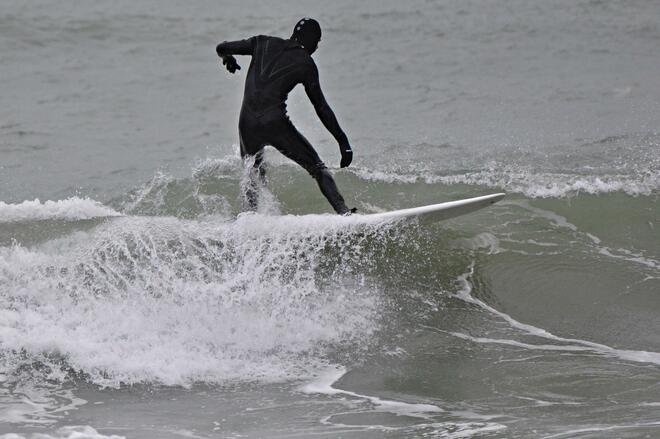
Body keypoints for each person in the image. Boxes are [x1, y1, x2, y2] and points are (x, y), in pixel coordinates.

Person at [215, 17, 355, 215]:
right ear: (309, 39)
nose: (317, 45)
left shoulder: (262, 42)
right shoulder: (306, 63)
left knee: (253, 175)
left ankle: (248, 223)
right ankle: (344, 213)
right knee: (318, 169)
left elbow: (221, 47)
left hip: (246, 124)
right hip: (274, 124)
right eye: (317, 40)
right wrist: (343, 141)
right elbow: (321, 107)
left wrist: (227, 59)